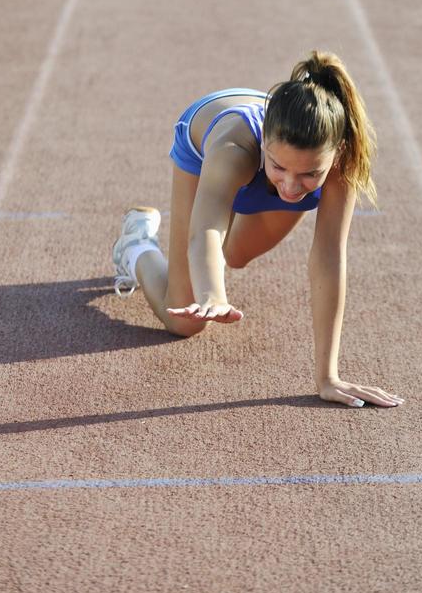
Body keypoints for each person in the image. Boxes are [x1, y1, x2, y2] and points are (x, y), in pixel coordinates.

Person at [112, 51, 403, 410]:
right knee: (186, 323)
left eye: (311, 174)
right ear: (265, 142)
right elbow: (205, 231)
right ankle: (137, 246)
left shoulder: (340, 161)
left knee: (237, 255)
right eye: (280, 167)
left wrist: (328, 377)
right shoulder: (234, 149)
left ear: (337, 153)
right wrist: (212, 294)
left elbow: (329, 256)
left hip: (278, 148)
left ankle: (269, 176)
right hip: (207, 141)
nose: (293, 188)